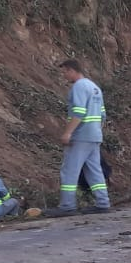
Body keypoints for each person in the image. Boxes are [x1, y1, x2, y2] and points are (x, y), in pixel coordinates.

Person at [45, 59, 110, 217]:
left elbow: (79, 113)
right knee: (94, 171)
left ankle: (67, 205)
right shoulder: (95, 88)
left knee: (69, 171)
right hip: (94, 136)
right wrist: (96, 132)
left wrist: (68, 133)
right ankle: (103, 202)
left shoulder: (79, 87)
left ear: (71, 70)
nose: (64, 76)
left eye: (64, 72)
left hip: (81, 136)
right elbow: (102, 115)